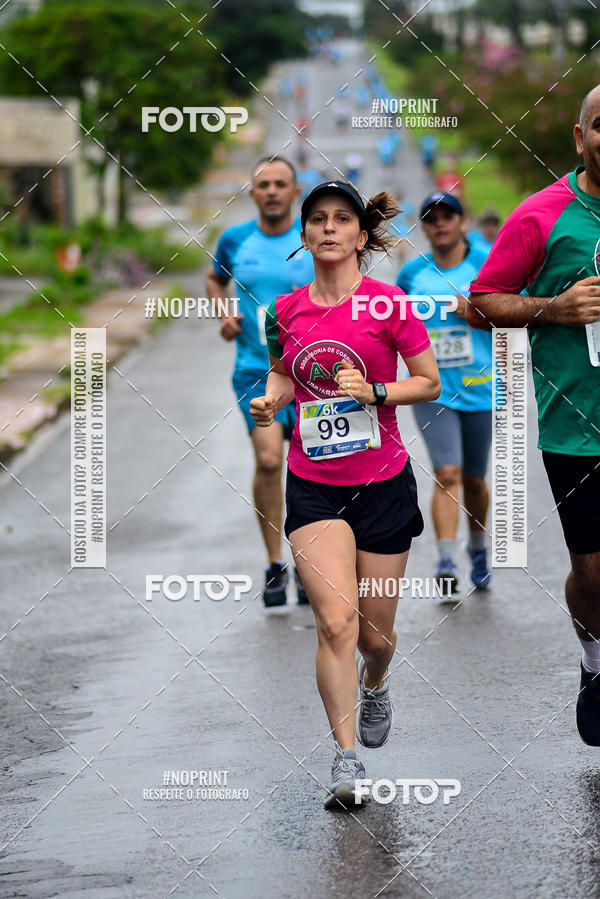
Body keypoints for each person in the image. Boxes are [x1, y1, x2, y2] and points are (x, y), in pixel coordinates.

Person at [250, 181, 441, 809]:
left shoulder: (390, 305)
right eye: (318, 220)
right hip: (314, 488)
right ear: (303, 234)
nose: (329, 229)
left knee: (374, 638)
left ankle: (377, 683)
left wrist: (377, 394)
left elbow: (428, 382)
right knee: (335, 620)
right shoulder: (286, 308)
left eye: (342, 220)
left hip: (383, 484)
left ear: (362, 235)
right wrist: (273, 397)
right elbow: (284, 368)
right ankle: (345, 758)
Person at [467, 86, 600, 745]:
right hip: (578, 425)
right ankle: (595, 660)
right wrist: (555, 309)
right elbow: (482, 301)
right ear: (581, 137)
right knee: (597, 576)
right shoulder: (543, 216)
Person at [206, 156, 314, 607]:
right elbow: (215, 280)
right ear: (252, 193)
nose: (271, 191)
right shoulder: (234, 240)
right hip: (255, 369)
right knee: (270, 461)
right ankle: (275, 564)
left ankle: (310, 564)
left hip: (313, 371)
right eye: (263, 184)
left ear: (295, 192)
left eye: (280, 184)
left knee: (314, 465)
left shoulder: (311, 240)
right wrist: (224, 313)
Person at [397, 191, 493, 592]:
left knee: (473, 478)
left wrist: (474, 310)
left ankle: (476, 546)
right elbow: (395, 328)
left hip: (481, 387)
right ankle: (447, 560)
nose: (440, 224)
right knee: (446, 472)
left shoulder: (487, 264)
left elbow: (515, 317)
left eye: (447, 217)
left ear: (462, 222)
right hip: (431, 391)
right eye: (431, 219)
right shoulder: (412, 276)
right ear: (425, 228)